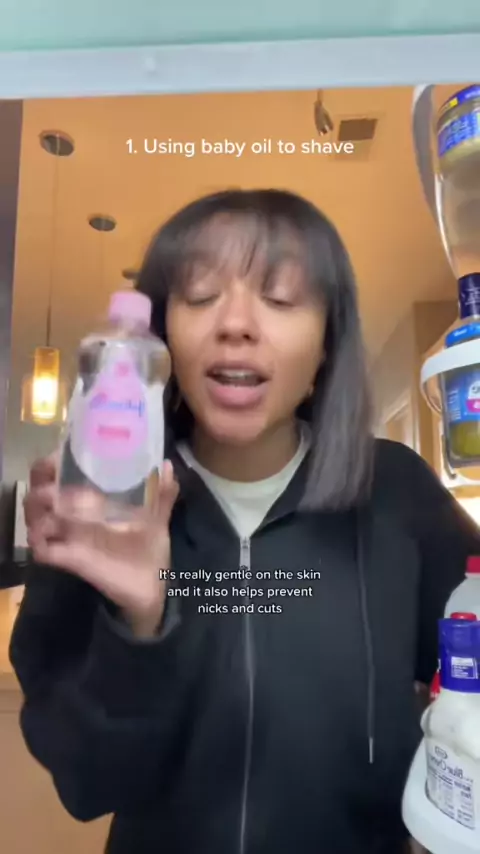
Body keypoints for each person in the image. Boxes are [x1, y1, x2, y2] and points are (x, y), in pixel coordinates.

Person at [10, 188, 480, 854]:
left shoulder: (397, 493)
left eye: (280, 298)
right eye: (200, 295)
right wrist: (138, 624)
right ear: (161, 338)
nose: (235, 323)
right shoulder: (102, 510)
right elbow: (87, 786)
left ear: (327, 344)